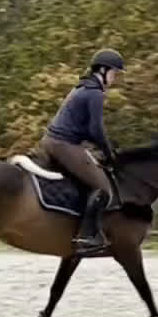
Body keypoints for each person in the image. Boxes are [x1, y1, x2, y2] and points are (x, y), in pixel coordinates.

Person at [38, 49, 125, 253]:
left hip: (53, 141)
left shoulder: (82, 87)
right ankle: (86, 236)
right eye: (114, 73)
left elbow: (86, 129)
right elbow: (96, 129)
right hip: (64, 145)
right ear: (102, 70)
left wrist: (101, 147)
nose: (115, 78)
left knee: (87, 176)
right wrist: (109, 153)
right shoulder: (94, 93)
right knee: (104, 188)